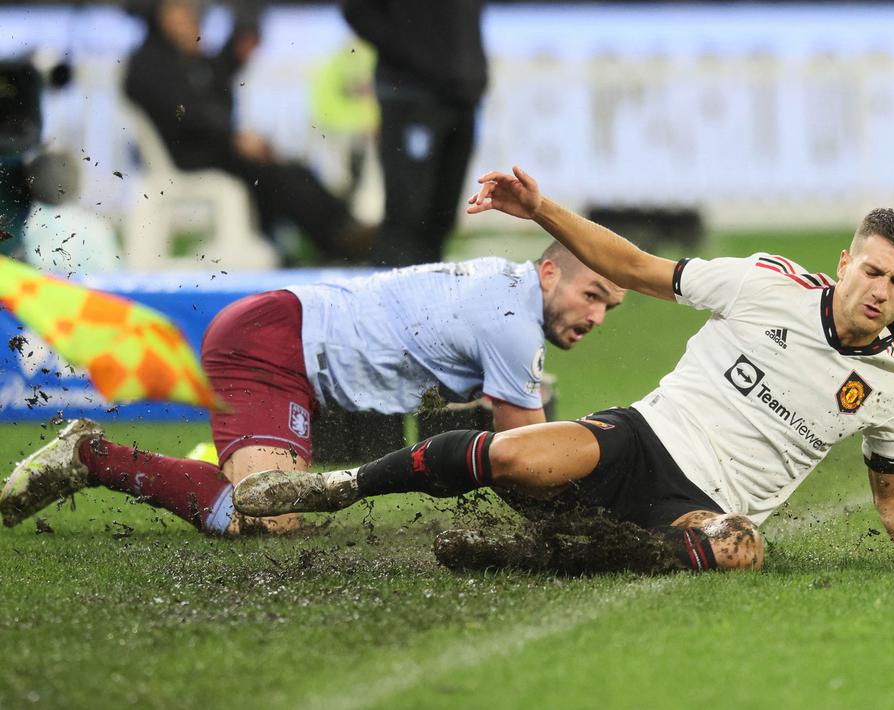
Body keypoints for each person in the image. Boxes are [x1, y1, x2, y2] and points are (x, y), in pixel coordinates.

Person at [228, 166, 894, 573]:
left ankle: (531, 557)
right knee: (511, 456)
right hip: (641, 440)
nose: (879, 291)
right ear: (847, 263)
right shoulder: (764, 284)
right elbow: (633, 265)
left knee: (740, 549)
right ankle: (340, 485)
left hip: (700, 505)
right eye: (871, 270)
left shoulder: (892, 390)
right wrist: (540, 209)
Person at [0, 240, 624, 535]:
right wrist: (612, 526)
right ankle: (91, 456)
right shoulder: (512, 323)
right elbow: (535, 457)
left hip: (292, 340)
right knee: (267, 520)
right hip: (269, 346)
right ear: (548, 272)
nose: (597, 318)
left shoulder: (505, 287)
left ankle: (219, 463)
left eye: (611, 308)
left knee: (270, 501)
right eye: (591, 295)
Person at [123, 0, 373, 262]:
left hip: (216, 148)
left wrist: (209, 59)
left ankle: (337, 230)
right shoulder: (147, 63)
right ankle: (337, 238)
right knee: (272, 174)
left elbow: (216, 95)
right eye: (178, 12)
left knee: (286, 169)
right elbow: (188, 114)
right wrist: (234, 139)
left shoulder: (185, 58)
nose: (187, 19)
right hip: (188, 159)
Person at [341, 0, 487, 266]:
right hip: (411, 94)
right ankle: (390, 300)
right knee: (407, 214)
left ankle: (428, 299)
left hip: (463, 94)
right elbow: (356, 10)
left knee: (442, 215)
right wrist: (415, 54)